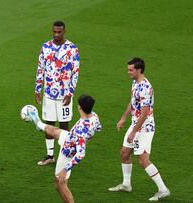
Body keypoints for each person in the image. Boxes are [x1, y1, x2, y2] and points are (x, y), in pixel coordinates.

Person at [108, 58, 170, 201]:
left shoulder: (145, 88)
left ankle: (163, 189)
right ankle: (126, 184)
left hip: (145, 128)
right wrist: (123, 118)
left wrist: (134, 131)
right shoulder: (135, 83)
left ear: (139, 70)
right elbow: (133, 102)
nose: (128, 72)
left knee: (143, 160)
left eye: (131, 70)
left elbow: (145, 112)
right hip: (136, 124)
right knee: (124, 153)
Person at [27, 94, 101, 203]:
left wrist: (65, 170)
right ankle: (39, 124)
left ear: (79, 107)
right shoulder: (94, 116)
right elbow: (98, 128)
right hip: (70, 137)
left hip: (67, 152)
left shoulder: (81, 130)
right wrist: (88, 137)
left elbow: (80, 154)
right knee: (55, 131)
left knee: (60, 184)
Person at [35, 20, 80, 165]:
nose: (56, 34)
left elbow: (75, 72)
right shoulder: (46, 47)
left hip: (64, 94)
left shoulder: (72, 49)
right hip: (48, 93)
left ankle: (65, 155)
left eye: (59, 32)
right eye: (54, 32)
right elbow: (40, 68)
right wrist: (37, 88)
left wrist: (70, 92)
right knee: (49, 123)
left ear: (64, 31)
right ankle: (49, 155)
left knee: (64, 124)